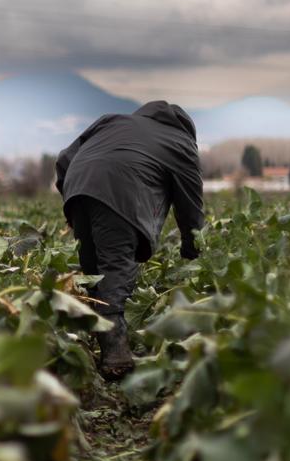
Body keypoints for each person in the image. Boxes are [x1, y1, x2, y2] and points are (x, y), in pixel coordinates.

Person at [55, 100, 205, 380]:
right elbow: (191, 207)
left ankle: (93, 341)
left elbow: (65, 158)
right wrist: (193, 252)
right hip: (121, 192)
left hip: (78, 184)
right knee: (114, 268)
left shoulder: (111, 120)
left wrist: (72, 200)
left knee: (93, 272)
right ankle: (116, 357)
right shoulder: (181, 143)